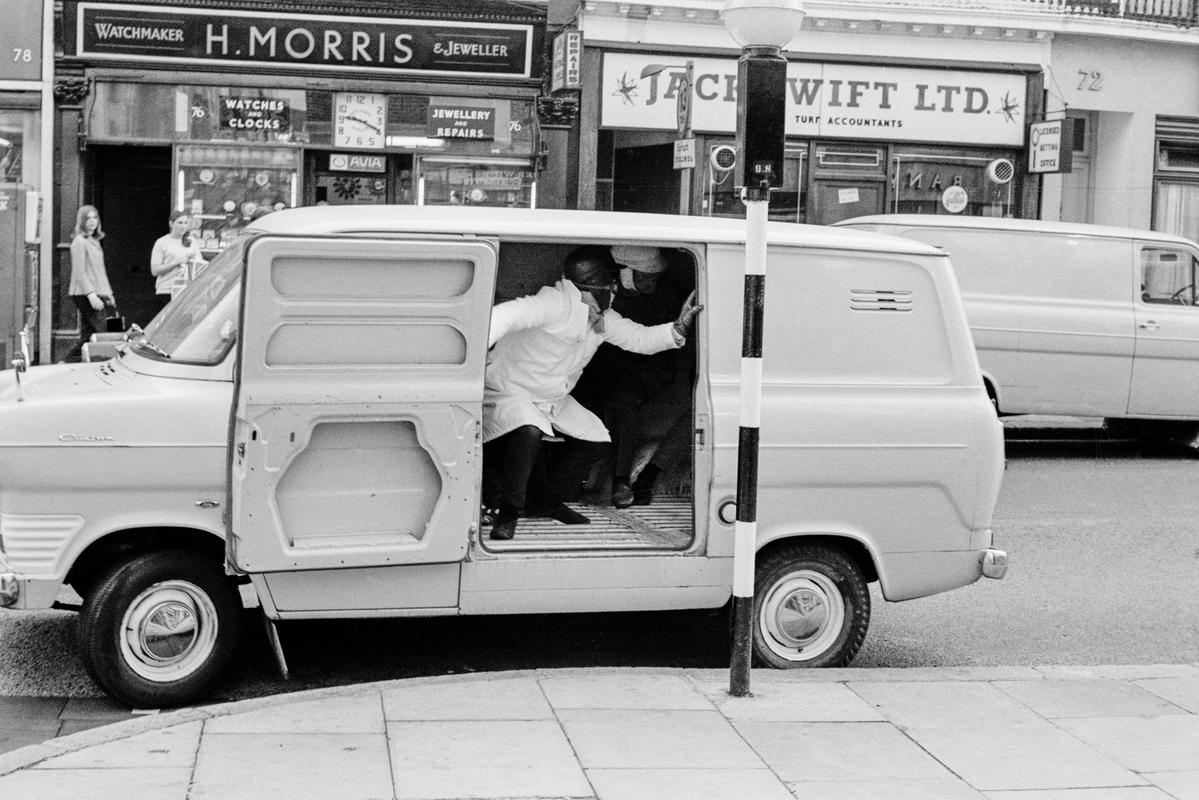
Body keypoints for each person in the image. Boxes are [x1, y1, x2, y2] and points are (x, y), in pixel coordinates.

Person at [482, 245, 702, 541]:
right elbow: (504, 316)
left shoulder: (600, 318)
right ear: (597, 287)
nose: (613, 292)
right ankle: (508, 514)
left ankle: (543, 501)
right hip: (510, 392)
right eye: (608, 286)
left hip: (550, 399)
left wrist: (677, 329)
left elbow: (639, 338)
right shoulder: (553, 304)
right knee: (528, 432)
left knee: (596, 439)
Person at [574, 245, 695, 508]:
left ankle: (621, 481)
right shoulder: (604, 296)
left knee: (623, 401)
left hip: (651, 368)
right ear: (625, 274)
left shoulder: (671, 295)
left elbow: (654, 342)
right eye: (646, 275)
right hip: (605, 366)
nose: (653, 279)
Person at [65, 205, 115, 361]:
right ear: (82, 221)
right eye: (88, 218)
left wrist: (109, 294)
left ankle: (68, 362)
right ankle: (69, 361)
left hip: (99, 292)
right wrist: (92, 296)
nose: (93, 221)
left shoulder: (94, 241)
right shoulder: (79, 241)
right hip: (84, 293)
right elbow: (80, 273)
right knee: (103, 330)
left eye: (95, 217)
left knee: (90, 332)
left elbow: (100, 271)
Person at [150, 210, 205, 314]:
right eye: (180, 223)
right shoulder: (162, 242)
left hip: (186, 289)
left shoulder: (191, 241)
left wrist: (192, 260)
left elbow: (199, 264)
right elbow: (155, 270)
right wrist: (175, 263)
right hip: (167, 290)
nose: (183, 226)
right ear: (171, 223)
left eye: (185, 223)